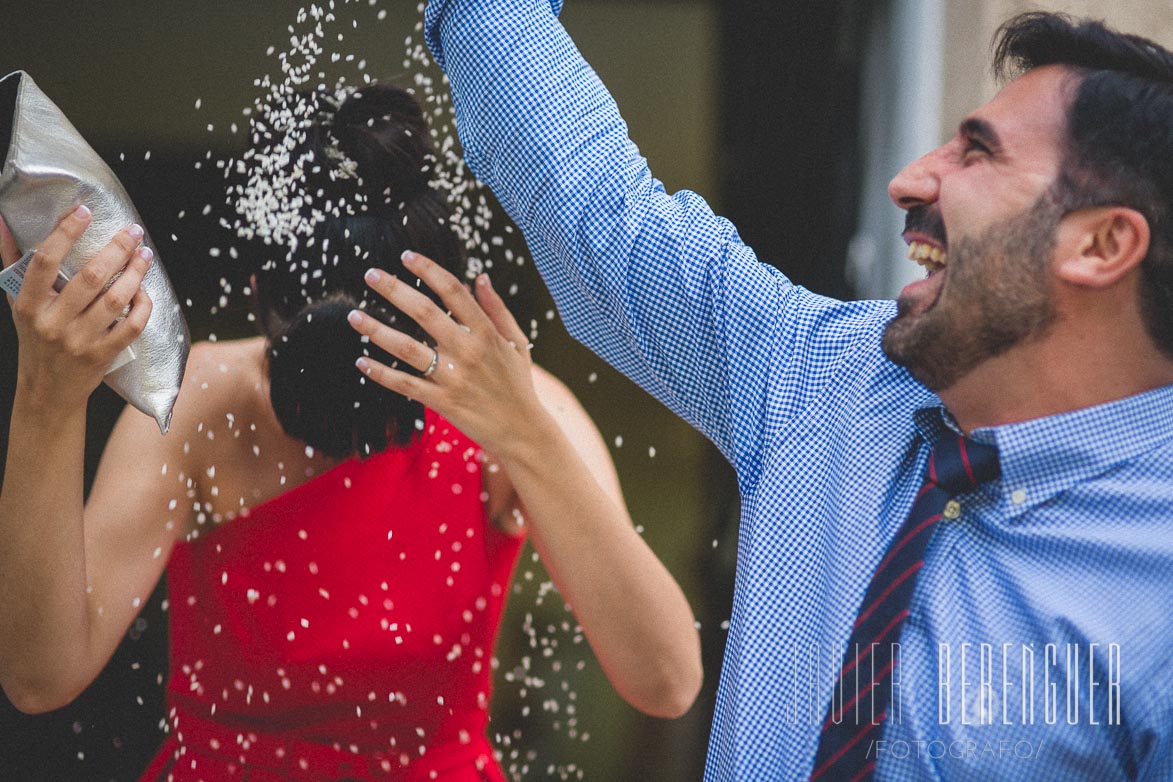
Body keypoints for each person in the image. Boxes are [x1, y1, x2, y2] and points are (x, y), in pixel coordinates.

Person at [421, 3, 1173, 780]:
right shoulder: (823, 375)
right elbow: (599, 211)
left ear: (1101, 244)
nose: (910, 179)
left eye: (975, 154)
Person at [0, 82, 702, 782]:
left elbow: (667, 681)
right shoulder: (201, 403)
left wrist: (525, 432)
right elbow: (40, 678)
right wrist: (47, 400)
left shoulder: (514, 417)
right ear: (258, 300)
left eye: (385, 362)